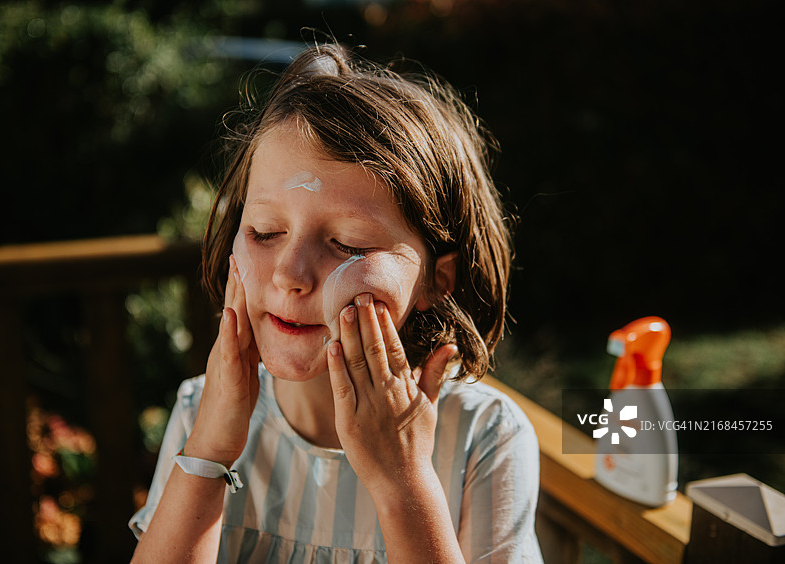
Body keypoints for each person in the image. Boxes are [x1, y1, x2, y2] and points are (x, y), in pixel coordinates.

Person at [129, 42, 543, 563]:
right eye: (264, 231)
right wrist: (209, 451)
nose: (289, 274)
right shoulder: (202, 410)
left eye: (348, 244)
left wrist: (405, 483)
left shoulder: (484, 438)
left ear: (437, 279)